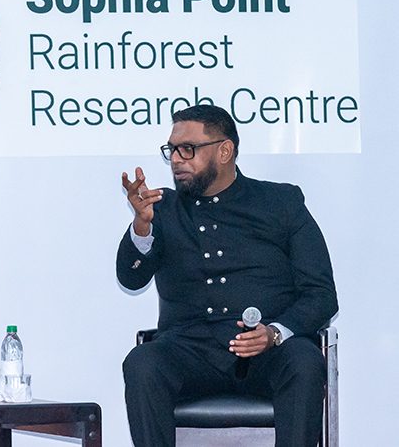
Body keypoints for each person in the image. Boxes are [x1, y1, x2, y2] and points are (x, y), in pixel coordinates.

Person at [117, 104, 338, 447]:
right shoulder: (161, 209)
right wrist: (142, 227)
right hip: (192, 354)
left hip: (268, 354)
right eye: (172, 150)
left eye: (187, 149)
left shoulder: (281, 203)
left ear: (224, 151)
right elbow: (131, 278)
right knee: (143, 363)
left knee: (304, 361)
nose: (176, 159)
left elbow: (321, 295)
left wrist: (275, 334)